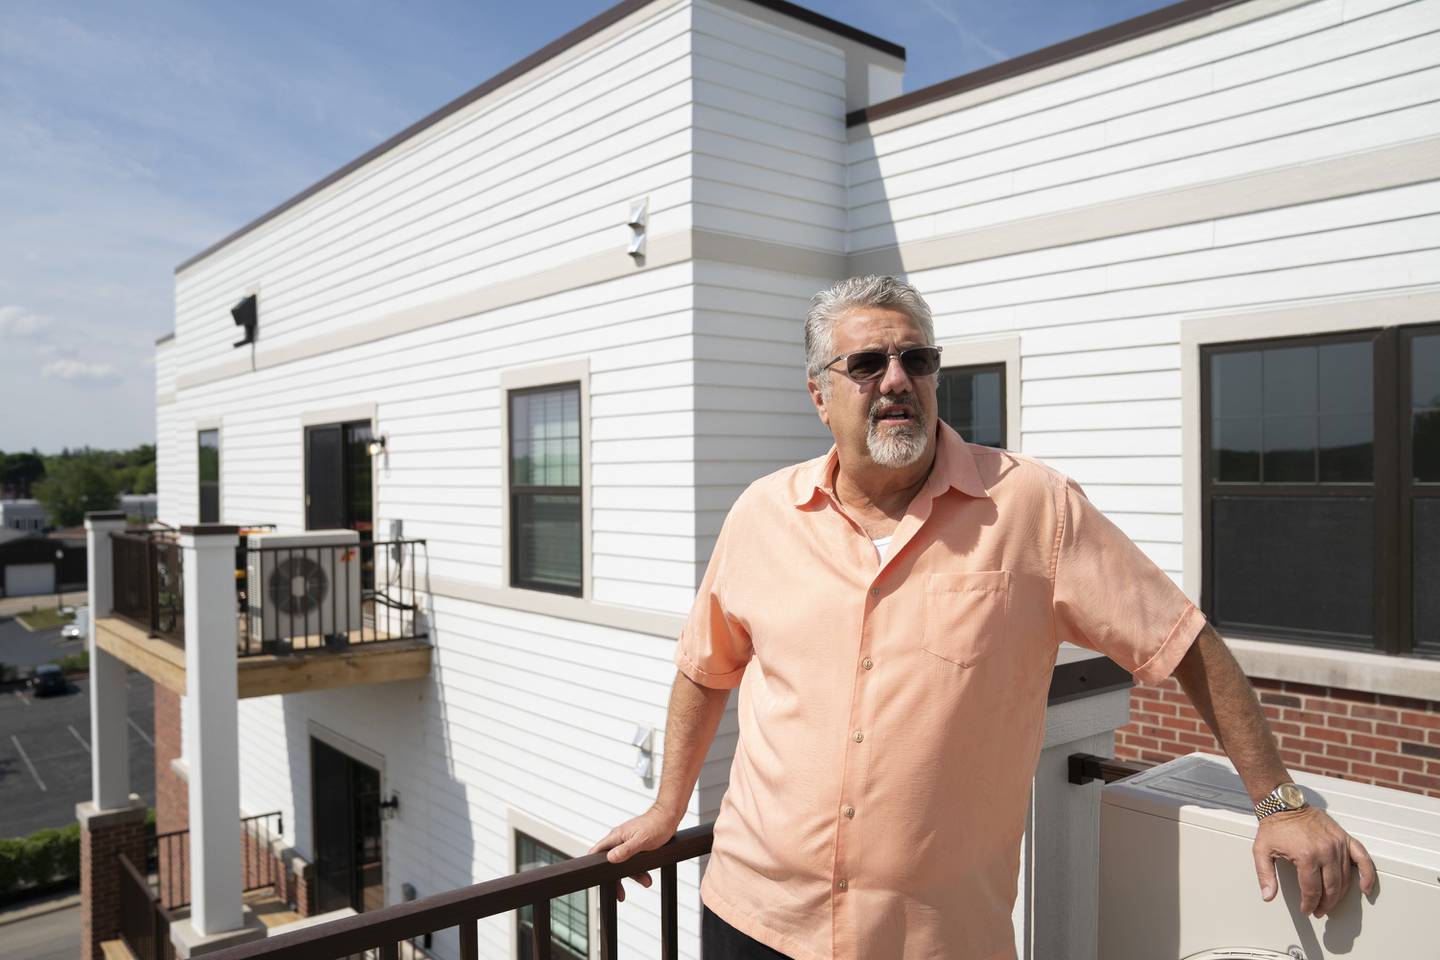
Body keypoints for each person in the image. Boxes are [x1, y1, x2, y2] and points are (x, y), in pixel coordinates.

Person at [590, 276, 1376, 960]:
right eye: (867, 364)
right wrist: (668, 807)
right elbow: (705, 667)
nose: (897, 379)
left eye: (917, 360)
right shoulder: (762, 514)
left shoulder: (1031, 507)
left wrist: (1280, 801)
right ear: (819, 396)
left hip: (936, 943)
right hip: (753, 919)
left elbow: (1184, 641)